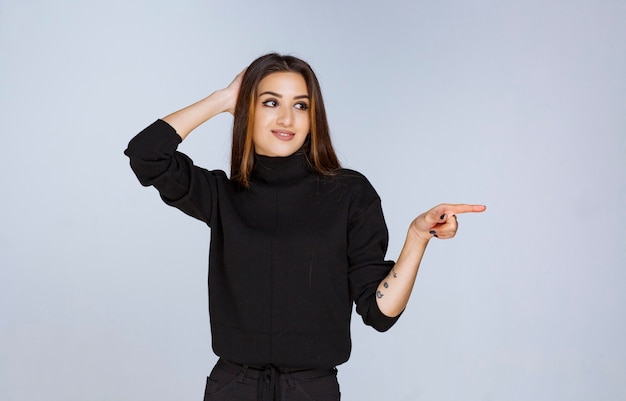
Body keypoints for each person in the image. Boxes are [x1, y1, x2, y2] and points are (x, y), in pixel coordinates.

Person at [124, 53, 486, 401]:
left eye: (301, 105)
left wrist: (418, 236)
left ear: (314, 118)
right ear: (247, 110)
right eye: (269, 102)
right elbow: (146, 154)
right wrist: (224, 99)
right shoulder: (223, 195)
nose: (286, 118)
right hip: (232, 386)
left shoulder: (350, 193)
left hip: (311, 391)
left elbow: (379, 313)